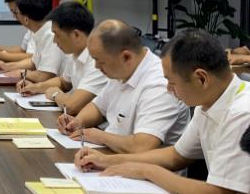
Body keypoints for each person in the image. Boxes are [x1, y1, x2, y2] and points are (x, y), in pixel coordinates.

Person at [76, 30, 250, 194]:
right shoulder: (210, 99)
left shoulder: (243, 112)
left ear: (201, 79)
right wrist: (106, 161)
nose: (168, 90)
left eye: (171, 82)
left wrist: (145, 170)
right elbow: (176, 156)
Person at [57, 20, 188, 153]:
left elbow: (142, 146)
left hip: (141, 164)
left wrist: (100, 136)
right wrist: (78, 122)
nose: (96, 66)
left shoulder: (159, 85)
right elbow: (98, 107)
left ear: (126, 57)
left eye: (100, 61)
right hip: (114, 154)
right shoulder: (122, 69)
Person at [16, 1, 107, 116]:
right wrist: (35, 87)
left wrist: (55, 94)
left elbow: (71, 106)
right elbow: (63, 82)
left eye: (57, 35)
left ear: (76, 35)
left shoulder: (98, 62)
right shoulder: (75, 54)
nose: (54, 41)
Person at [0, 0, 64, 84]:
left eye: (16, 13)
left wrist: (21, 73)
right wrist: (8, 67)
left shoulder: (51, 34)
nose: (15, 16)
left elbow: (44, 76)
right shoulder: (41, 30)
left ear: (26, 19)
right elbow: (33, 62)